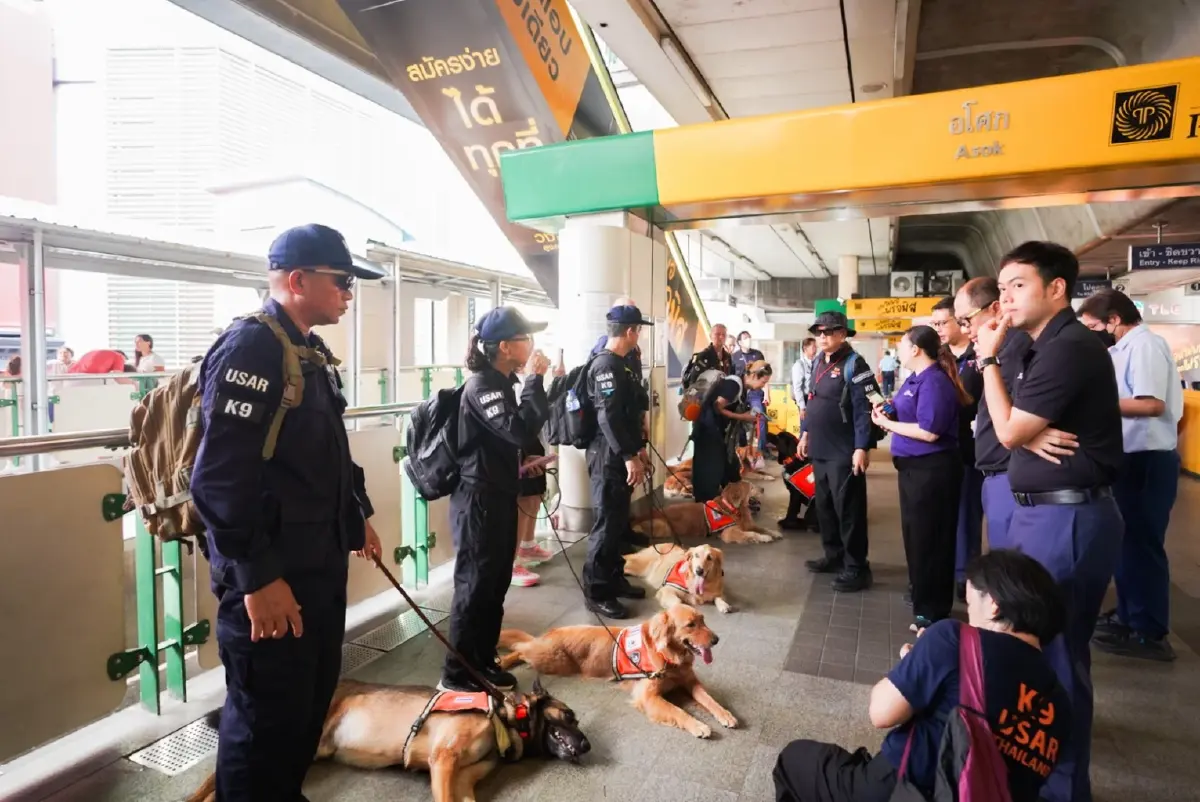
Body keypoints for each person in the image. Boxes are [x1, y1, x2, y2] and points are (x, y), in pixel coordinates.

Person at [190, 223, 385, 800]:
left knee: (305, 705)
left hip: (316, 566)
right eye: (342, 280)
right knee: (264, 721)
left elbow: (326, 452)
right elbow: (219, 476)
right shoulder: (252, 347)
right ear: (297, 281)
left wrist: (356, 515)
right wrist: (256, 576)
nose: (349, 293)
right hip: (274, 574)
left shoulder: (307, 349)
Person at [972, 240, 1123, 802]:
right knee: (1033, 646)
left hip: (1069, 518)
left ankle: (1063, 789)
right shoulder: (1044, 347)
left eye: (1018, 286)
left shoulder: (1069, 347)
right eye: (1002, 287)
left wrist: (989, 361)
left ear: (1056, 288)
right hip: (1043, 513)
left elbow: (1009, 429)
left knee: (1056, 656)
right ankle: (1032, 772)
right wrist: (1021, 431)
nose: (1006, 298)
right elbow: (1015, 426)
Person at [773, 549, 1071, 802]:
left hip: (904, 791)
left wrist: (918, 660)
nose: (969, 617)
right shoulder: (1061, 702)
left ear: (993, 604)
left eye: (970, 605)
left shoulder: (955, 638)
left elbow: (881, 713)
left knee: (795, 760)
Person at [441, 306, 551, 691]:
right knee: (474, 587)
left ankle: (482, 660)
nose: (531, 344)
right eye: (525, 338)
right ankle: (457, 674)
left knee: (495, 583)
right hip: (477, 502)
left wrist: (520, 465)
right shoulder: (483, 385)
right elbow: (518, 430)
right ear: (505, 347)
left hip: (498, 493)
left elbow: (501, 441)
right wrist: (535, 380)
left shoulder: (501, 382)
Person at [1078, 289, 1183, 662]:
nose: (1091, 335)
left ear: (1114, 320)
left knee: (1142, 544)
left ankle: (1149, 631)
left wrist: (1096, 404)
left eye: (1094, 327)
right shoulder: (1121, 349)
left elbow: (1151, 404)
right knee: (1125, 542)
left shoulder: (1145, 346)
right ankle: (1128, 614)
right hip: (1128, 456)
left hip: (1147, 458)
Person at [871, 325, 971, 630]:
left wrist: (889, 426)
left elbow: (929, 431)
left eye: (902, 345)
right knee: (917, 538)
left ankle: (933, 611)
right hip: (913, 471)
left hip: (933, 471)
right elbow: (909, 412)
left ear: (916, 349)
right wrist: (888, 412)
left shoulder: (935, 381)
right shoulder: (914, 379)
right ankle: (922, 600)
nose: (899, 350)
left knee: (932, 540)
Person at [953, 277, 1038, 549]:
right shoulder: (1003, 350)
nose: (965, 330)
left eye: (966, 320)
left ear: (995, 309)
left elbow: (1025, 410)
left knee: (1010, 560)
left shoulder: (1017, 349)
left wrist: (1037, 435)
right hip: (997, 471)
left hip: (1009, 471)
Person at [583, 304, 654, 619]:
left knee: (617, 524)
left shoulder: (621, 363)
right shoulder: (606, 366)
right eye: (638, 330)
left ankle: (613, 579)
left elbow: (625, 416)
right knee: (606, 525)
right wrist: (628, 456)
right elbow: (607, 417)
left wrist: (638, 450)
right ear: (630, 332)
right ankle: (597, 592)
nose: (639, 336)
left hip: (619, 454)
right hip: (607, 456)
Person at [799, 311, 874, 593]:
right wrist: (805, 432)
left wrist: (861, 447)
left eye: (828, 332)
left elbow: (865, 408)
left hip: (844, 451)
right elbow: (812, 399)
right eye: (819, 332)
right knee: (825, 507)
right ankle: (834, 555)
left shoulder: (855, 364)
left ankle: (857, 567)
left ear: (842, 334)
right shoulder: (819, 360)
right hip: (819, 448)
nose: (822, 337)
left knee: (849, 511)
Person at [932, 296, 984, 601]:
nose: (938, 328)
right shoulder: (938, 357)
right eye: (935, 323)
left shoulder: (981, 355)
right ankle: (942, 572)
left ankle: (965, 577)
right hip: (938, 452)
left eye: (943, 322)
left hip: (970, 450)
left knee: (966, 517)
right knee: (941, 516)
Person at [692, 359, 773, 503]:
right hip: (708, 433)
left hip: (719, 434)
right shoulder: (733, 385)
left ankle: (731, 500)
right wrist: (743, 416)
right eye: (763, 382)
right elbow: (718, 406)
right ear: (754, 376)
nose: (763, 386)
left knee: (731, 468)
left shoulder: (742, 388)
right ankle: (707, 507)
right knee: (710, 473)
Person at [512, 359, 559, 588]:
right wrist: (534, 377)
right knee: (520, 504)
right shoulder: (502, 380)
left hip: (535, 444)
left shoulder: (529, 376)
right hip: (518, 448)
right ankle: (511, 563)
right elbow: (524, 417)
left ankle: (528, 545)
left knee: (534, 497)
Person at [733, 331, 768, 458]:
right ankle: (742, 450)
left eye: (749, 337)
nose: (748, 340)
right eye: (745, 338)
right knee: (739, 419)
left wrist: (767, 393)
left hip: (755, 392)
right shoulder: (734, 357)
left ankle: (762, 450)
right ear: (739, 342)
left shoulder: (757, 354)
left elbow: (765, 375)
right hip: (740, 394)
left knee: (761, 418)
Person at [791, 337, 817, 421]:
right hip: (805, 400)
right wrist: (802, 407)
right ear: (805, 349)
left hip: (815, 400)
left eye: (816, 346)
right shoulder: (799, 365)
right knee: (806, 425)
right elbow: (797, 388)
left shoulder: (817, 363)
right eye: (813, 347)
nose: (816, 349)